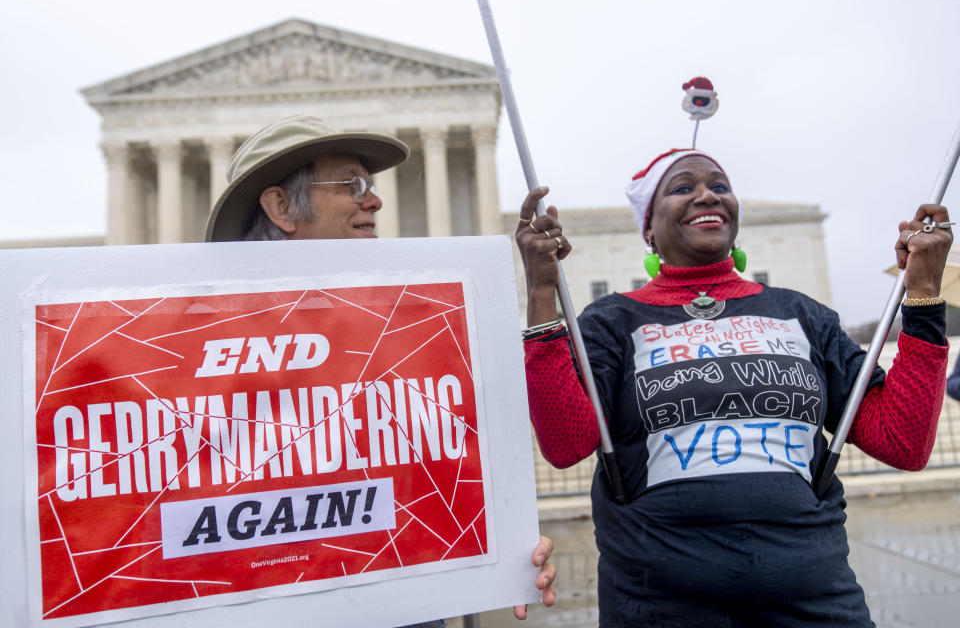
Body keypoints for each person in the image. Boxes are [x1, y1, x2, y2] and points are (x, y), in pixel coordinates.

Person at [517, 147, 952, 627]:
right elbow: (565, 444)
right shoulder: (610, 321)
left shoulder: (803, 315)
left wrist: (923, 293)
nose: (707, 195)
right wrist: (541, 293)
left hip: (816, 602)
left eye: (720, 186)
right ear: (648, 227)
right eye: (683, 187)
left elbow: (903, 441)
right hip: (660, 608)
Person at [205, 115, 556, 626]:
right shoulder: (205, 351)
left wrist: (507, 544)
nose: (374, 200)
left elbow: (447, 472)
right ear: (281, 207)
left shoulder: (409, 333)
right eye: (353, 185)